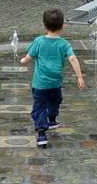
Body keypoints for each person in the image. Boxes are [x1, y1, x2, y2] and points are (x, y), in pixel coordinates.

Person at [20, 8, 86, 147]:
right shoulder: (63, 43)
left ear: (44, 26)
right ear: (62, 26)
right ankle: (49, 123)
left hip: (40, 85)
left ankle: (43, 132)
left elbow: (29, 57)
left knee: (40, 107)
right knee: (55, 100)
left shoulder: (38, 41)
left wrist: (23, 61)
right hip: (56, 83)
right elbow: (73, 58)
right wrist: (79, 77)